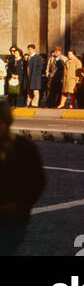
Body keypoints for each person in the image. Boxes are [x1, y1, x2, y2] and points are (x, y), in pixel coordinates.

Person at [0, 99, 46, 256]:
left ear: (7, 123)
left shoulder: (24, 149)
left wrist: (20, 205)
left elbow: (37, 182)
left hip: (12, 219)